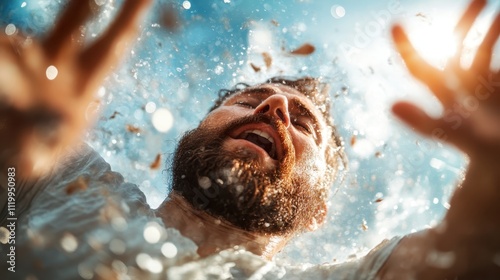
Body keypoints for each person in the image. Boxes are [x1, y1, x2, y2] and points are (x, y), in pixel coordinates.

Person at [0, 0, 499, 278]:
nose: (274, 106)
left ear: (320, 208)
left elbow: (466, 258)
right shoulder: (60, 179)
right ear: (194, 132)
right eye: (248, 100)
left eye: (303, 124)